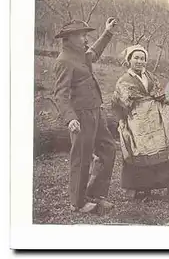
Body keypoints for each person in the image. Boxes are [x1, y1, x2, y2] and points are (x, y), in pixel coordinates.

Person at [111, 45, 169, 201]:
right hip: (137, 124)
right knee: (139, 154)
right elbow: (120, 102)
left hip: (157, 121)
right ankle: (141, 189)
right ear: (129, 60)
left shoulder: (150, 76)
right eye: (136, 58)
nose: (139, 61)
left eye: (142, 59)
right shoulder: (123, 80)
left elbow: (159, 93)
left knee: (166, 150)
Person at [53, 17, 119, 214]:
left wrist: (108, 33)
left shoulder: (80, 55)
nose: (85, 38)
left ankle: (96, 194)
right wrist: (70, 118)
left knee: (108, 149)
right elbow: (60, 94)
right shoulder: (64, 61)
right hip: (80, 117)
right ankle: (78, 202)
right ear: (70, 38)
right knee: (81, 158)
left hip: (96, 112)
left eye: (85, 35)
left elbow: (95, 53)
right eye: (82, 35)